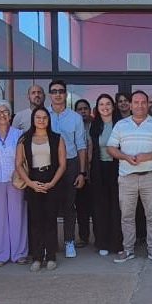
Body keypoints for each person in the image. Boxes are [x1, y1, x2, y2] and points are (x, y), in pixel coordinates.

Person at [108, 91, 152, 263]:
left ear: (147, 104)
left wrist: (148, 156)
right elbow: (111, 148)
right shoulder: (121, 125)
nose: (140, 105)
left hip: (150, 176)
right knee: (127, 216)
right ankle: (128, 249)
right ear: (130, 105)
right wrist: (125, 156)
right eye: (136, 102)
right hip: (127, 177)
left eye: (143, 102)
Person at [14, 107, 67, 271]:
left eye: (45, 117)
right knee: (35, 221)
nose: (41, 120)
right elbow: (18, 164)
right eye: (38, 117)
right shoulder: (24, 139)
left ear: (48, 120)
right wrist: (30, 183)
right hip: (33, 181)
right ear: (33, 119)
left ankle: (50, 256)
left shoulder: (57, 138)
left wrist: (52, 183)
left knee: (50, 220)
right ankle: (37, 257)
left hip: (52, 180)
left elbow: (62, 164)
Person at [46, 80, 88, 258]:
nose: (57, 94)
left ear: (65, 94)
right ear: (50, 94)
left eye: (61, 91)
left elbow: (81, 146)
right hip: (47, 164)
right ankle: (50, 243)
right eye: (54, 91)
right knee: (49, 206)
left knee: (69, 205)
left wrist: (82, 172)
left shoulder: (75, 118)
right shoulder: (42, 115)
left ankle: (69, 240)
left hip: (70, 164)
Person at [0, 100, 29, 266]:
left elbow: (24, 158)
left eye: (5, 111)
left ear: (10, 115)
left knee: (18, 217)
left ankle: (19, 253)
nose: (2, 114)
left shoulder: (18, 134)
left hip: (15, 180)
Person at [88, 94, 122, 256]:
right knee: (100, 207)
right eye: (101, 104)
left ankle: (117, 242)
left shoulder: (121, 124)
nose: (105, 107)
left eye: (108, 103)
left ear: (113, 106)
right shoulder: (94, 126)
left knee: (117, 206)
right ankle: (102, 242)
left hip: (118, 168)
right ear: (97, 107)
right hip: (99, 169)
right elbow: (90, 150)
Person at [73, 98, 93, 247]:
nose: (83, 111)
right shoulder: (74, 127)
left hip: (95, 172)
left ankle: (99, 237)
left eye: (85, 108)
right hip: (79, 172)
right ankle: (83, 237)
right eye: (80, 109)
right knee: (81, 207)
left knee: (97, 206)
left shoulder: (95, 126)